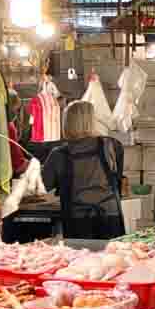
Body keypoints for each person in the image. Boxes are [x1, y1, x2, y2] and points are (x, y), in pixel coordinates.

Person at [41, 99, 126, 238]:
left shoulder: (58, 154)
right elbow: (117, 178)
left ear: (67, 123)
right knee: (112, 257)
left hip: (78, 220)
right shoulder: (111, 145)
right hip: (110, 216)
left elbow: (43, 186)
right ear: (91, 121)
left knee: (80, 258)